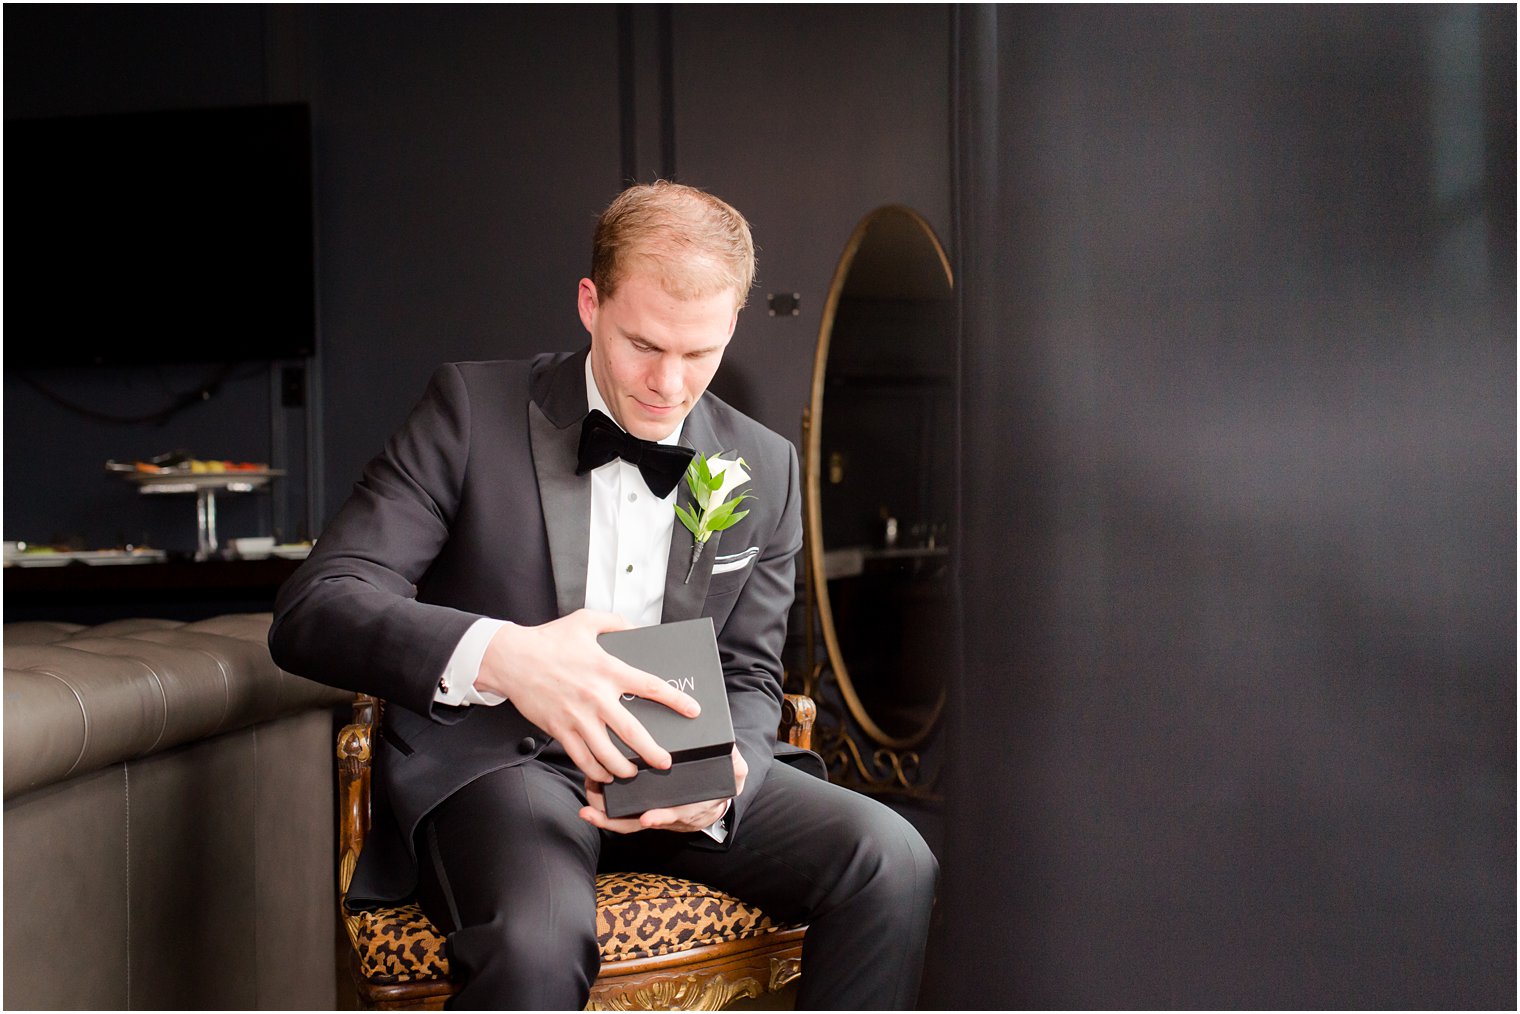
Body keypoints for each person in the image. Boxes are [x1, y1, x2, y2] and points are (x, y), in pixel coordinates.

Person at [269, 181, 937, 1009]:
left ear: (731, 326)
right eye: (643, 345)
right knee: (537, 938)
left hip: (678, 771)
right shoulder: (471, 411)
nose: (669, 383)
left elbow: (754, 677)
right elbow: (317, 606)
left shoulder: (764, 465)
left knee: (893, 858)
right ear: (591, 304)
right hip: (505, 765)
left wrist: (726, 775)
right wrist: (507, 657)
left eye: (700, 354)